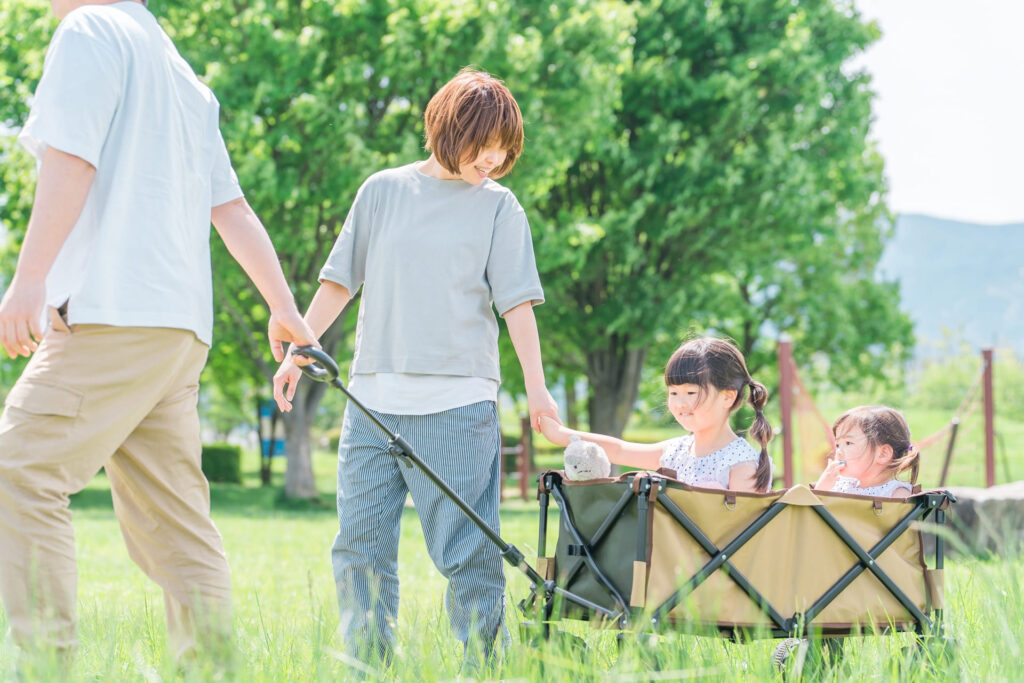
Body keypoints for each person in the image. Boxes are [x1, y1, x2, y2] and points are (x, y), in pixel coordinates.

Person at [0, 0, 317, 666]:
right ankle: (211, 669)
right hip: (177, 331)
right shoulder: (182, 76)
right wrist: (285, 308)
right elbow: (230, 207)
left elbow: (73, 161)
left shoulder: (89, 30)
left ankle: (44, 666)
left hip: (112, 311)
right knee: (176, 526)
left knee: (19, 470)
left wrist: (30, 280)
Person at [272, 68, 559, 666]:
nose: (497, 160)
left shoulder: (499, 208)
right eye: (488, 147)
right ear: (453, 129)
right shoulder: (382, 191)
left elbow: (518, 306)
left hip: (458, 406)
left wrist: (538, 391)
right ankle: (368, 670)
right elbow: (338, 282)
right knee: (360, 549)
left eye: (506, 153)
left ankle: (486, 670)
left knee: (467, 554)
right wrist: (301, 349)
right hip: (372, 404)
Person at [540, 337, 774, 493]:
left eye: (691, 392)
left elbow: (740, 540)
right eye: (673, 392)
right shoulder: (676, 452)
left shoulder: (742, 463)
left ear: (727, 397)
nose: (680, 403)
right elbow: (619, 450)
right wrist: (560, 434)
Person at [814, 405, 918, 498]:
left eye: (848, 443)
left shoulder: (897, 494)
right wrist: (821, 488)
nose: (838, 452)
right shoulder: (838, 485)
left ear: (883, 454)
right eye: (837, 445)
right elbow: (812, 516)